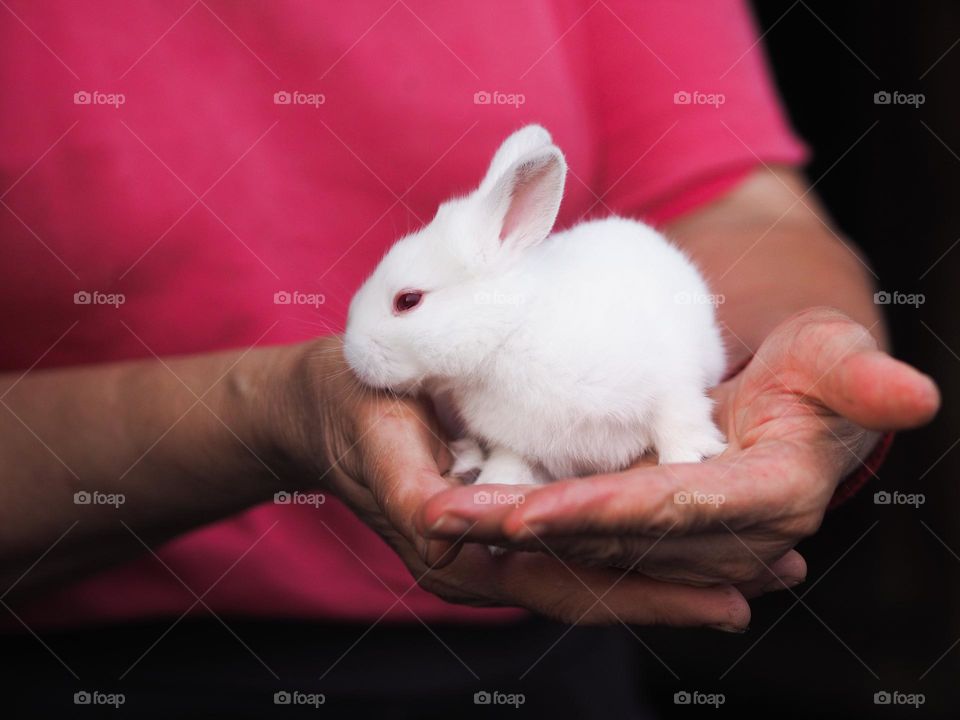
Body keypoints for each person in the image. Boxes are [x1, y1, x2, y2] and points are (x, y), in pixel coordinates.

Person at [0, 0, 938, 716]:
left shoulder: (566, 293)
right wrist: (269, 411)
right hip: (83, 660)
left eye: (405, 308)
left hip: (541, 651)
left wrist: (744, 401)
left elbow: (729, 201)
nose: (355, 339)